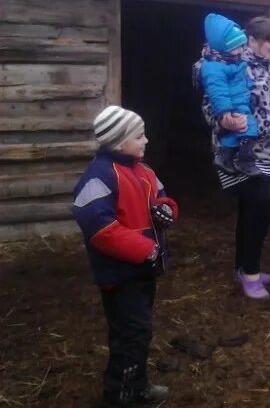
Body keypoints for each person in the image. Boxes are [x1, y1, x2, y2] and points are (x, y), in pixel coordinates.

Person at [193, 16, 270, 299]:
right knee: (260, 204)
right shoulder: (234, 65)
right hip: (241, 152)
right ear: (251, 41)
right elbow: (211, 102)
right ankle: (251, 274)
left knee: (251, 210)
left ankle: (242, 267)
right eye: (268, 41)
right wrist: (224, 121)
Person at [71, 105, 179, 408]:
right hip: (120, 274)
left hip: (144, 269)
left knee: (140, 331)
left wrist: (167, 209)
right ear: (119, 141)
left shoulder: (144, 171)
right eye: (140, 136)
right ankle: (119, 395)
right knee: (130, 334)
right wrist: (147, 249)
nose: (146, 141)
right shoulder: (100, 176)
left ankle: (138, 385)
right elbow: (100, 227)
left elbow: (163, 197)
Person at [199, 12, 260, 177]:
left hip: (240, 102)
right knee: (249, 128)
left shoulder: (235, 61)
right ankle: (244, 160)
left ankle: (225, 157)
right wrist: (225, 112)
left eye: (242, 45)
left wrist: (250, 90)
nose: (242, 50)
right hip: (233, 105)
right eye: (237, 46)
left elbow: (242, 81)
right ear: (224, 46)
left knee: (237, 133)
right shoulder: (213, 67)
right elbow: (217, 92)